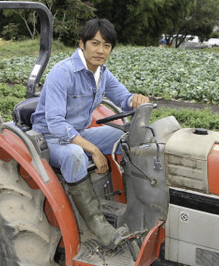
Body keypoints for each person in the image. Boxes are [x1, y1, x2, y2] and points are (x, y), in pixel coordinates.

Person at [31, 18, 149, 249]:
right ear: (82, 44)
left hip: (79, 132)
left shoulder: (101, 73)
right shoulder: (62, 73)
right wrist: (93, 149)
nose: (100, 50)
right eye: (95, 43)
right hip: (49, 139)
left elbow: (123, 99)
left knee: (124, 137)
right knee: (75, 154)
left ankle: (134, 204)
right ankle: (99, 227)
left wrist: (135, 100)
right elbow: (55, 123)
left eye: (106, 46)